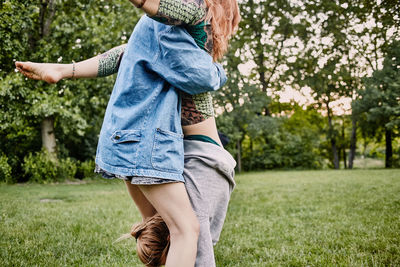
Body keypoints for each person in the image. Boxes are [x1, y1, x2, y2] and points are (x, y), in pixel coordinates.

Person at [16, 0, 240, 266]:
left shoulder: (168, 33)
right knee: (189, 237)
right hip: (197, 154)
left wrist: (64, 70)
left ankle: (164, 253)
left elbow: (122, 54)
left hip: (176, 148)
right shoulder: (190, 14)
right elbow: (154, 12)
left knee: (178, 235)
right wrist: (218, 73)